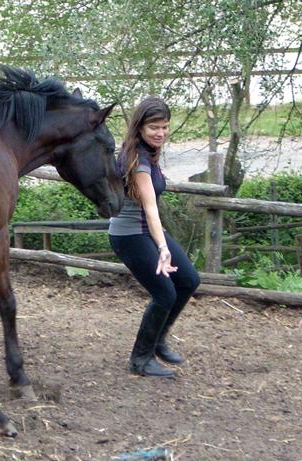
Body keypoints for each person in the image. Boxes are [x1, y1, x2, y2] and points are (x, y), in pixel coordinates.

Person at [108, 96, 201, 379]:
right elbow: (150, 208)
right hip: (129, 234)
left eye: (165, 127)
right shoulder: (137, 159)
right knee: (164, 293)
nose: (161, 133)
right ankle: (140, 359)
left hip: (145, 230)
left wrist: (161, 243)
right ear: (140, 127)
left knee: (189, 280)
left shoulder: (149, 152)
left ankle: (157, 340)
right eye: (154, 127)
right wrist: (163, 247)